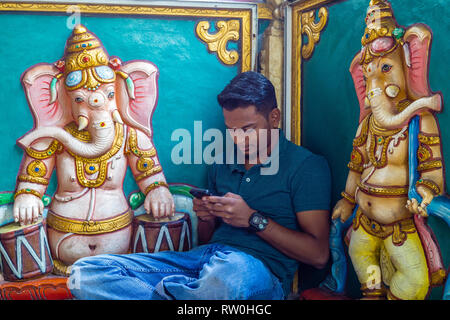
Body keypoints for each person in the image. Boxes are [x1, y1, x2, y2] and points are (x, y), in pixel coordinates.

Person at [68, 71, 331, 300]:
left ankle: (182, 293)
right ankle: (185, 294)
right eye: (231, 130)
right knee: (85, 273)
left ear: (274, 118)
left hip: (255, 272)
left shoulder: (306, 166)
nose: (239, 140)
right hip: (203, 261)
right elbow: (209, 237)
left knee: (225, 280)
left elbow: (317, 254)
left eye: (248, 129)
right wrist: (207, 216)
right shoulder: (222, 163)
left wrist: (252, 219)